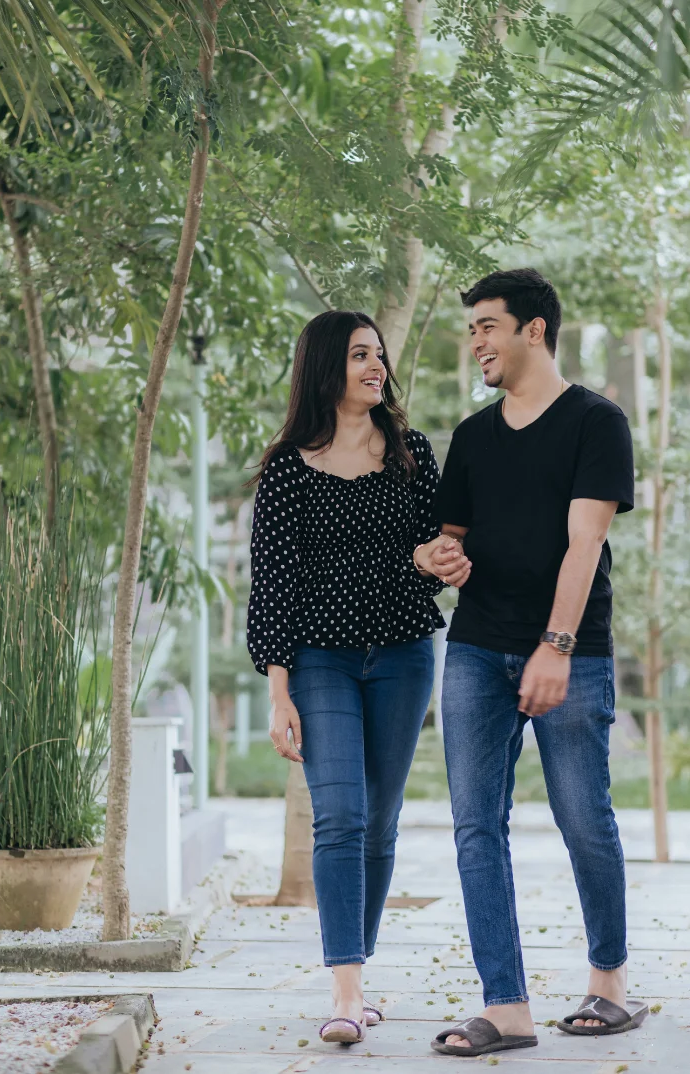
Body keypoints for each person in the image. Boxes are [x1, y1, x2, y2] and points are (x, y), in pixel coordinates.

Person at [414, 268, 647, 1058]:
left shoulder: (596, 422)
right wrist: (438, 557)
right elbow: (451, 540)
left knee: (583, 817)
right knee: (476, 827)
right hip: (477, 647)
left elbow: (586, 542)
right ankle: (506, 1007)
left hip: (570, 651)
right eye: (471, 329)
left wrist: (556, 645)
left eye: (487, 325)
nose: (475, 341)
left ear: (534, 330)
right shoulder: (472, 436)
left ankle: (609, 983)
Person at [247, 309, 448, 1045]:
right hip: (319, 660)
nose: (376, 366)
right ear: (327, 367)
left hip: (403, 654)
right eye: (361, 354)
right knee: (339, 814)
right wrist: (278, 692)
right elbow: (272, 584)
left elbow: (434, 548)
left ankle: (356, 974)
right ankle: (346, 992)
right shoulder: (288, 467)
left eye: (379, 354)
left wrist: (438, 559)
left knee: (380, 819)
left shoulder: (412, 453)